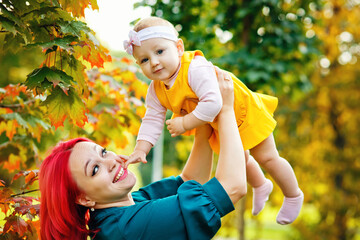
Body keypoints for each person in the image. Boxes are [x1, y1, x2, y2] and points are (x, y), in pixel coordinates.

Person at [124, 16, 303, 225]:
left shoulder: (194, 68)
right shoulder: (155, 90)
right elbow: (152, 119)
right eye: (144, 60)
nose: (154, 62)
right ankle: (261, 184)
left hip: (244, 112)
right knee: (240, 159)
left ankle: (293, 194)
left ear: (179, 48)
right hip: (220, 123)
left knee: (267, 158)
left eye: (160, 52)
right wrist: (141, 149)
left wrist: (185, 123)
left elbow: (213, 103)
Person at [39, 68, 247, 239]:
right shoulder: (128, 228)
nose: (110, 161)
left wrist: (202, 118)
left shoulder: (128, 205)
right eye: (94, 169)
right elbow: (233, 187)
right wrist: (225, 109)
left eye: (103, 152)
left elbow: (191, 181)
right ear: (84, 199)